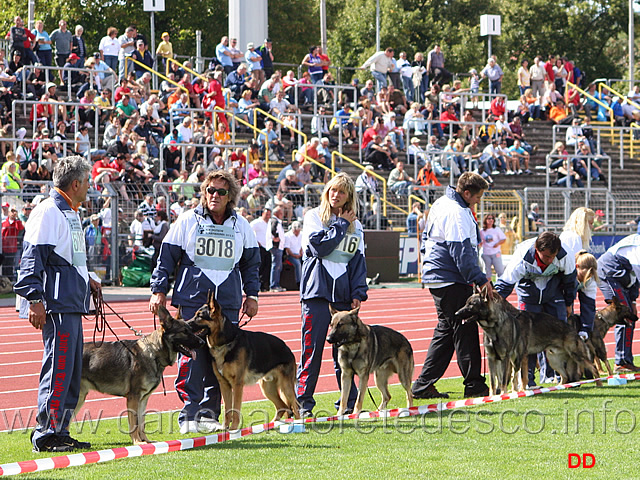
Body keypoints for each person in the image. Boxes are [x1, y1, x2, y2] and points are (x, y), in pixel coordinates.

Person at [149, 169, 260, 434]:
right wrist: (158, 289)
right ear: (204, 192)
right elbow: (165, 258)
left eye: (221, 191)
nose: (215, 196)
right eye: (210, 190)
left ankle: (210, 413)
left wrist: (252, 295)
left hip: (227, 303)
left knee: (221, 358)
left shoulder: (241, 225)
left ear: (230, 196)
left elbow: (252, 265)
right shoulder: (187, 220)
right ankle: (189, 413)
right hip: (193, 301)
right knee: (191, 356)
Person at [14, 156, 100, 452]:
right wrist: (34, 298)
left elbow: (68, 256)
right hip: (57, 303)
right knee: (59, 368)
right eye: (87, 182)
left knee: (72, 371)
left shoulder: (69, 212)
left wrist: (88, 277)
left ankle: (60, 430)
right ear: (75, 184)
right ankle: (45, 433)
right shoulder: (48, 211)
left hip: (72, 301)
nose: (89, 187)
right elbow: (32, 257)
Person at [411, 173, 492, 399]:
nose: (478, 200)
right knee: (464, 330)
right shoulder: (456, 212)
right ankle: (474, 384)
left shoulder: (444, 203)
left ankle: (423, 384)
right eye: (477, 196)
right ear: (466, 193)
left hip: (441, 275)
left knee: (447, 330)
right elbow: (462, 254)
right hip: (450, 277)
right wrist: (480, 279)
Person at [297, 173, 368, 417]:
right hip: (317, 294)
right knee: (312, 351)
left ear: (350, 197)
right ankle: (303, 404)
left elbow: (359, 262)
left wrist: (359, 291)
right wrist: (339, 225)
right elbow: (320, 248)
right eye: (332, 190)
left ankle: (347, 402)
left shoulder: (357, 226)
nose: (335, 195)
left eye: (341, 192)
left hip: (344, 298)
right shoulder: (314, 217)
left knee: (345, 354)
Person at [495, 232, 577, 386]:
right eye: (546, 257)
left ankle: (562, 376)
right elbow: (505, 285)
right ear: (536, 249)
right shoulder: (522, 255)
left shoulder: (565, 255)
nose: (550, 260)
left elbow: (570, 281)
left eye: (553, 256)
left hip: (554, 292)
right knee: (527, 337)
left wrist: (568, 303)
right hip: (528, 294)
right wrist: (492, 307)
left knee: (560, 332)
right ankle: (528, 381)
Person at [597, 235, 640, 372]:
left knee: (629, 316)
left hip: (622, 277)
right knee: (623, 315)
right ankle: (621, 361)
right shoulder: (637, 248)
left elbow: (635, 282)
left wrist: (633, 301)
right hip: (608, 273)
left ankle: (625, 360)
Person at [480, 214, 506, 281]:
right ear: (485, 220)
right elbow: (480, 242)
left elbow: (503, 239)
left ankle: (500, 286)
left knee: (500, 270)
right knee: (487, 272)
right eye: (489, 218)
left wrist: (497, 244)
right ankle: (489, 287)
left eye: (492, 219)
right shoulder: (482, 231)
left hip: (495, 253)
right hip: (486, 253)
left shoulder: (496, 229)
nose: (491, 220)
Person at [267, 205, 286, 292]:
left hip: (278, 246)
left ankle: (275, 284)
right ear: (277, 213)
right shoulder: (275, 220)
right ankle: (274, 285)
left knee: (278, 266)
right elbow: (273, 229)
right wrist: (275, 238)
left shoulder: (276, 221)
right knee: (276, 266)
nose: (282, 214)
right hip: (276, 246)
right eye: (281, 213)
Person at [284, 221, 303, 287]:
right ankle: (299, 282)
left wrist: (301, 253)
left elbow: (302, 246)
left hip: (300, 254)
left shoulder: (302, 234)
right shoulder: (287, 235)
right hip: (291, 255)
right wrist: (294, 255)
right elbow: (287, 249)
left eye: (298, 231)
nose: (297, 232)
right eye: (295, 231)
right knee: (297, 264)